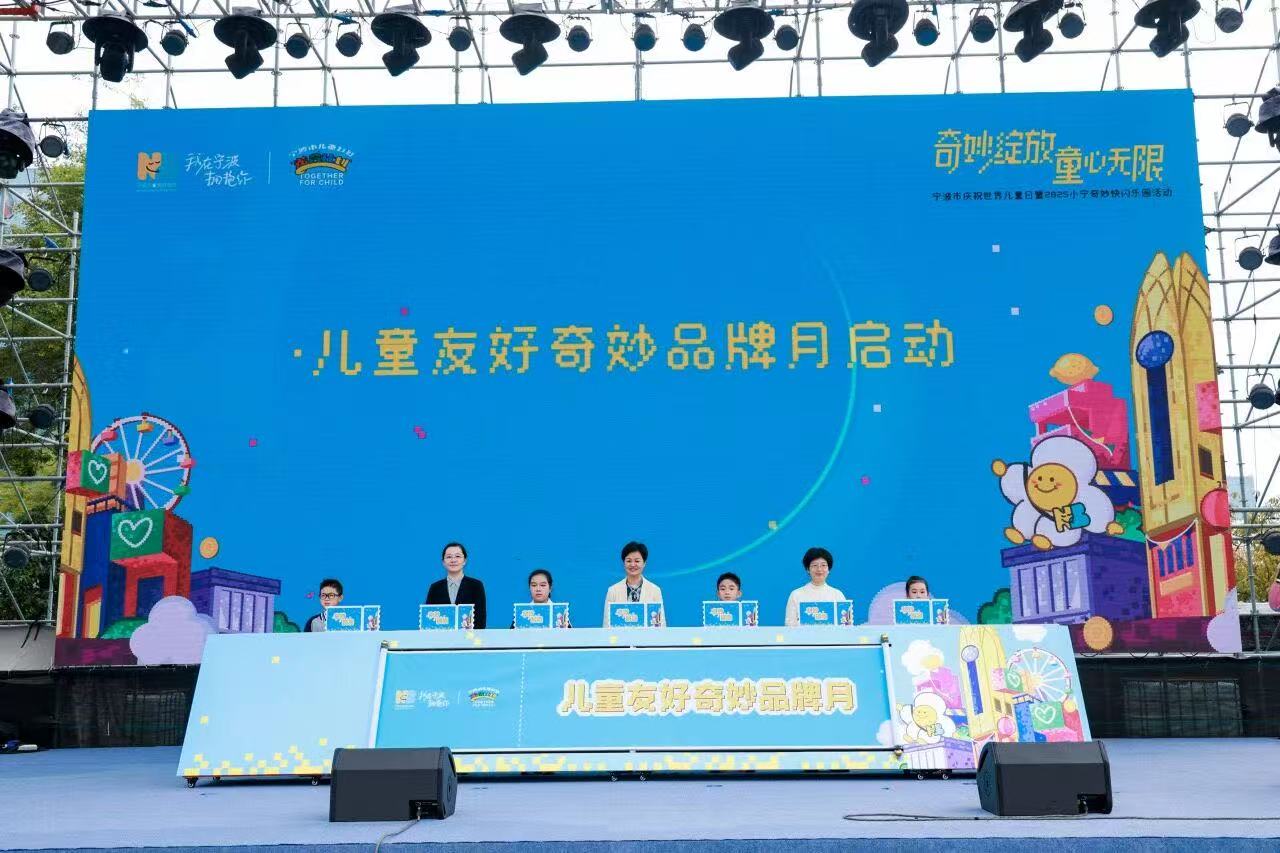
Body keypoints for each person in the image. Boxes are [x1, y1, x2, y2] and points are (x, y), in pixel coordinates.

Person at [425, 542, 487, 629]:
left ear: (464, 561)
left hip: (469, 636)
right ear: (443, 562)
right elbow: (429, 620)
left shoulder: (476, 586)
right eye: (449, 557)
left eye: (458, 556)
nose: (453, 560)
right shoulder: (435, 588)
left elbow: (481, 619)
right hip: (441, 637)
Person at [603, 541, 664, 626]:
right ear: (624, 563)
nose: (632, 564)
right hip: (620, 635)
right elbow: (606, 624)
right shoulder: (613, 591)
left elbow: (661, 624)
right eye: (629, 561)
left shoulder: (655, 590)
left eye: (637, 561)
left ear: (644, 563)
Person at [785, 547, 846, 627]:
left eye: (823, 565)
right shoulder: (796, 594)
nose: (819, 569)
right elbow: (789, 625)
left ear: (828, 569)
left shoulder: (838, 595)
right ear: (808, 569)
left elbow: (845, 625)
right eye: (814, 565)